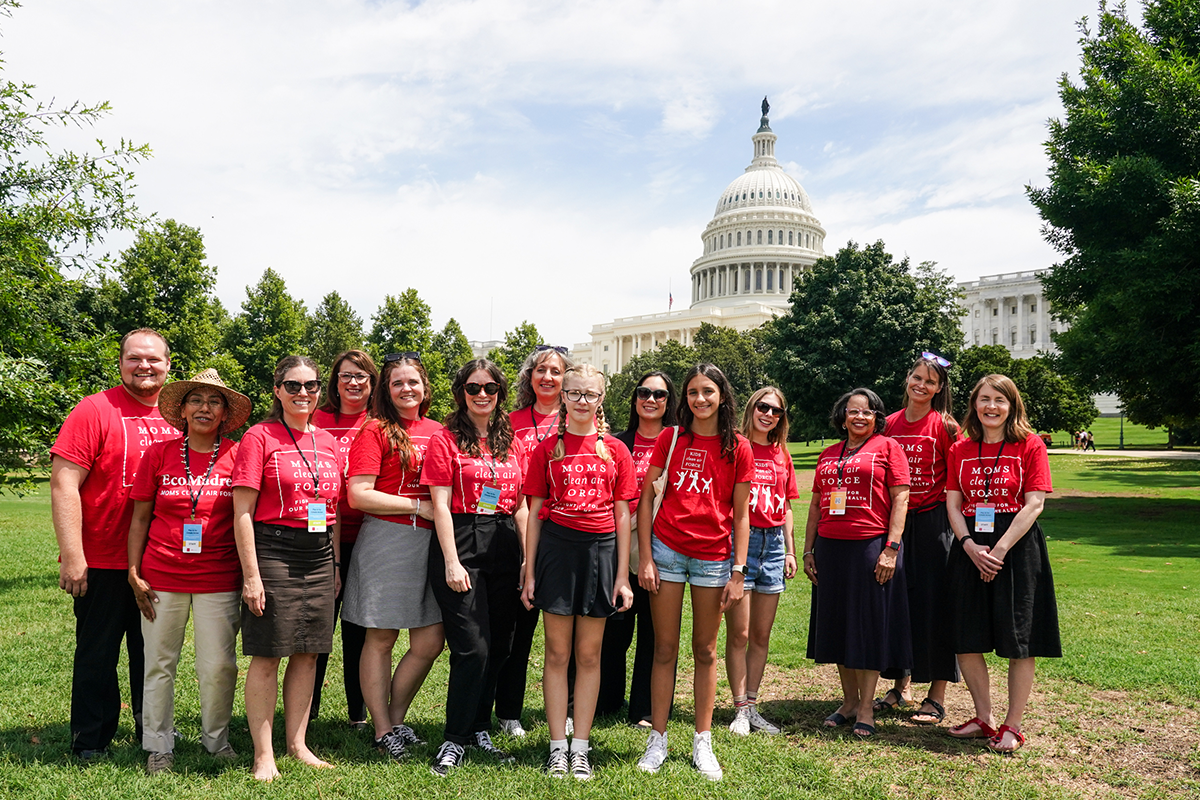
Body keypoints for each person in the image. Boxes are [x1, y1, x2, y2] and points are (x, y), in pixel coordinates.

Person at [50, 328, 177, 760]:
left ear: (168, 365)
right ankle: (91, 738)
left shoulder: (178, 416)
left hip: (158, 560)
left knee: (152, 653)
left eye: (153, 359)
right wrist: (73, 555)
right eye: (134, 358)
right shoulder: (94, 409)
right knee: (97, 653)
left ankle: (151, 729)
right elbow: (64, 484)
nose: (144, 366)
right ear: (120, 363)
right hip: (102, 557)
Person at [126, 369, 252, 773]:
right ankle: (158, 745)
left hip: (219, 577)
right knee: (159, 663)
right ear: (182, 409)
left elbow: (247, 515)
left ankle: (216, 739)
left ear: (225, 414)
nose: (204, 408)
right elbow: (140, 518)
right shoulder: (159, 453)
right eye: (196, 400)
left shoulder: (238, 454)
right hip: (161, 576)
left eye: (214, 402)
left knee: (218, 666)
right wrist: (133, 570)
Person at [636, 363, 752, 782]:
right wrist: (645, 558)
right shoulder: (670, 438)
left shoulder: (738, 446)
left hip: (713, 559)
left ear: (722, 395)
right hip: (666, 552)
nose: (700, 399)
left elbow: (742, 514)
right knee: (664, 649)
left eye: (707, 391)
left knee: (705, 651)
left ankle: (703, 740)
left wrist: (738, 571)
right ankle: (658, 739)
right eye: (692, 393)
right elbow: (645, 501)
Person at [520, 364, 636, 780]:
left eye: (590, 394)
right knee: (556, 653)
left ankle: (581, 746)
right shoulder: (545, 449)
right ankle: (557, 746)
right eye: (574, 393)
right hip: (557, 552)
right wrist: (529, 572)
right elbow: (534, 515)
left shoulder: (616, 450)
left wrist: (622, 576)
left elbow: (623, 516)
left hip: (600, 554)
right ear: (563, 397)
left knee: (589, 655)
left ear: (601, 399)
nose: (581, 401)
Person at [231, 356, 343, 781]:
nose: (303, 393)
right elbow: (243, 512)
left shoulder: (327, 440)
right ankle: (263, 755)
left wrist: (334, 563)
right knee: (268, 653)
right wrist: (252, 576)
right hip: (274, 550)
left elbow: (331, 509)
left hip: (319, 554)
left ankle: (298, 744)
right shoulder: (259, 436)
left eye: (311, 385)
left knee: (309, 652)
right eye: (293, 385)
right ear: (277, 390)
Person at [421, 359, 529, 777]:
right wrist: (451, 560)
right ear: (460, 393)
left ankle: (480, 728)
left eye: (490, 388)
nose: (482, 394)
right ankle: (454, 738)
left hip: (505, 540)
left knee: (500, 645)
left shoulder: (511, 441)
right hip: (462, 538)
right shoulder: (445, 439)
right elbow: (440, 505)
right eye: (473, 388)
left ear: (500, 393)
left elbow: (520, 506)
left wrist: (526, 560)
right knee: (472, 647)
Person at [945, 374, 1060, 754]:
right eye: (984, 399)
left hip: (1016, 546)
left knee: (1019, 638)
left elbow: (1035, 503)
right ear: (974, 404)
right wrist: (968, 545)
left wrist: (1000, 550)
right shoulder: (961, 448)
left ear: (1012, 406)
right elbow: (953, 503)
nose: (991, 406)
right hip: (970, 546)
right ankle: (984, 718)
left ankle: (1013, 725)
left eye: (999, 400)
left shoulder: (1030, 445)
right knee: (965, 634)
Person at [343, 353, 444, 760]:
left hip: (433, 544)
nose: (406, 389)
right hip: (387, 540)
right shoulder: (375, 430)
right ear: (386, 390)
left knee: (430, 641)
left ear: (425, 386)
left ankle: (396, 717)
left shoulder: (439, 430)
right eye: (397, 382)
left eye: (413, 381)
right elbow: (358, 494)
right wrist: (417, 507)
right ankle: (382, 729)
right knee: (381, 637)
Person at [802, 388, 911, 739]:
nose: (859, 417)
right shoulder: (829, 454)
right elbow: (816, 504)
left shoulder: (888, 447)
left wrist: (891, 548)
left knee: (866, 628)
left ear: (877, 417)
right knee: (838, 627)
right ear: (843, 416)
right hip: (831, 549)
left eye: (867, 412)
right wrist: (808, 550)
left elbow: (901, 498)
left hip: (870, 546)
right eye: (853, 411)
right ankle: (848, 702)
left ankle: (866, 707)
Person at [875, 353, 961, 725]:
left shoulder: (946, 426)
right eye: (917, 377)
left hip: (934, 521)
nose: (921, 385)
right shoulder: (888, 424)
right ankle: (901, 686)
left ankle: (936, 696)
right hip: (897, 522)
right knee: (899, 604)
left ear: (939, 388)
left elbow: (957, 478)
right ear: (907, 378)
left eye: (930, 381)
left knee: (936, 606)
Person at [494, 344, 573, 737]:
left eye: (556, 371)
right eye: (541, 370)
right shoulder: (509, 423)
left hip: (566, 535)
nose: (548, 377)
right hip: (517, 528)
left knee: (567, 631)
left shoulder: (577, 420)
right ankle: (508, 711)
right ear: (529, 377)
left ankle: (569, 708)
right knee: (517, 630)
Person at [598, 371, 678, 727]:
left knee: (655, 630)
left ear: (669, 402)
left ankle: (646, 708)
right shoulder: (615, 443)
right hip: (618, 544)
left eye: (660, 395)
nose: (651, 400)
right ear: (634, 399)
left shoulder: (678, 444)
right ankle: (605, 700)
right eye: (644, 392)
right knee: (613, 626)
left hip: (663, 544)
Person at [724, 386, 799, 736]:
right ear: (752, 408)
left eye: (776, 411)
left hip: (773, 545)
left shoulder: (782, 453)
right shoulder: (735, 446)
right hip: (742, 542)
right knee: (739, 633)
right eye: (763, 407)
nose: (768, 414)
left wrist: (790, 550)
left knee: (760, 635)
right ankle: (739, 709)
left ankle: (752, 707)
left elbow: (786, 504)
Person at [310, 349, 377, 729]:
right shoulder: (315, 420)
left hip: (370, 538)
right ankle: (308, 711)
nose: (353, 383)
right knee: (319, 628)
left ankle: (358, 713)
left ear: (372, 383)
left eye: (361, 376)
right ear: (334, 382)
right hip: (321, 538)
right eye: (346, 375)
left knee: (359, 630)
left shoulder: (381, 423)